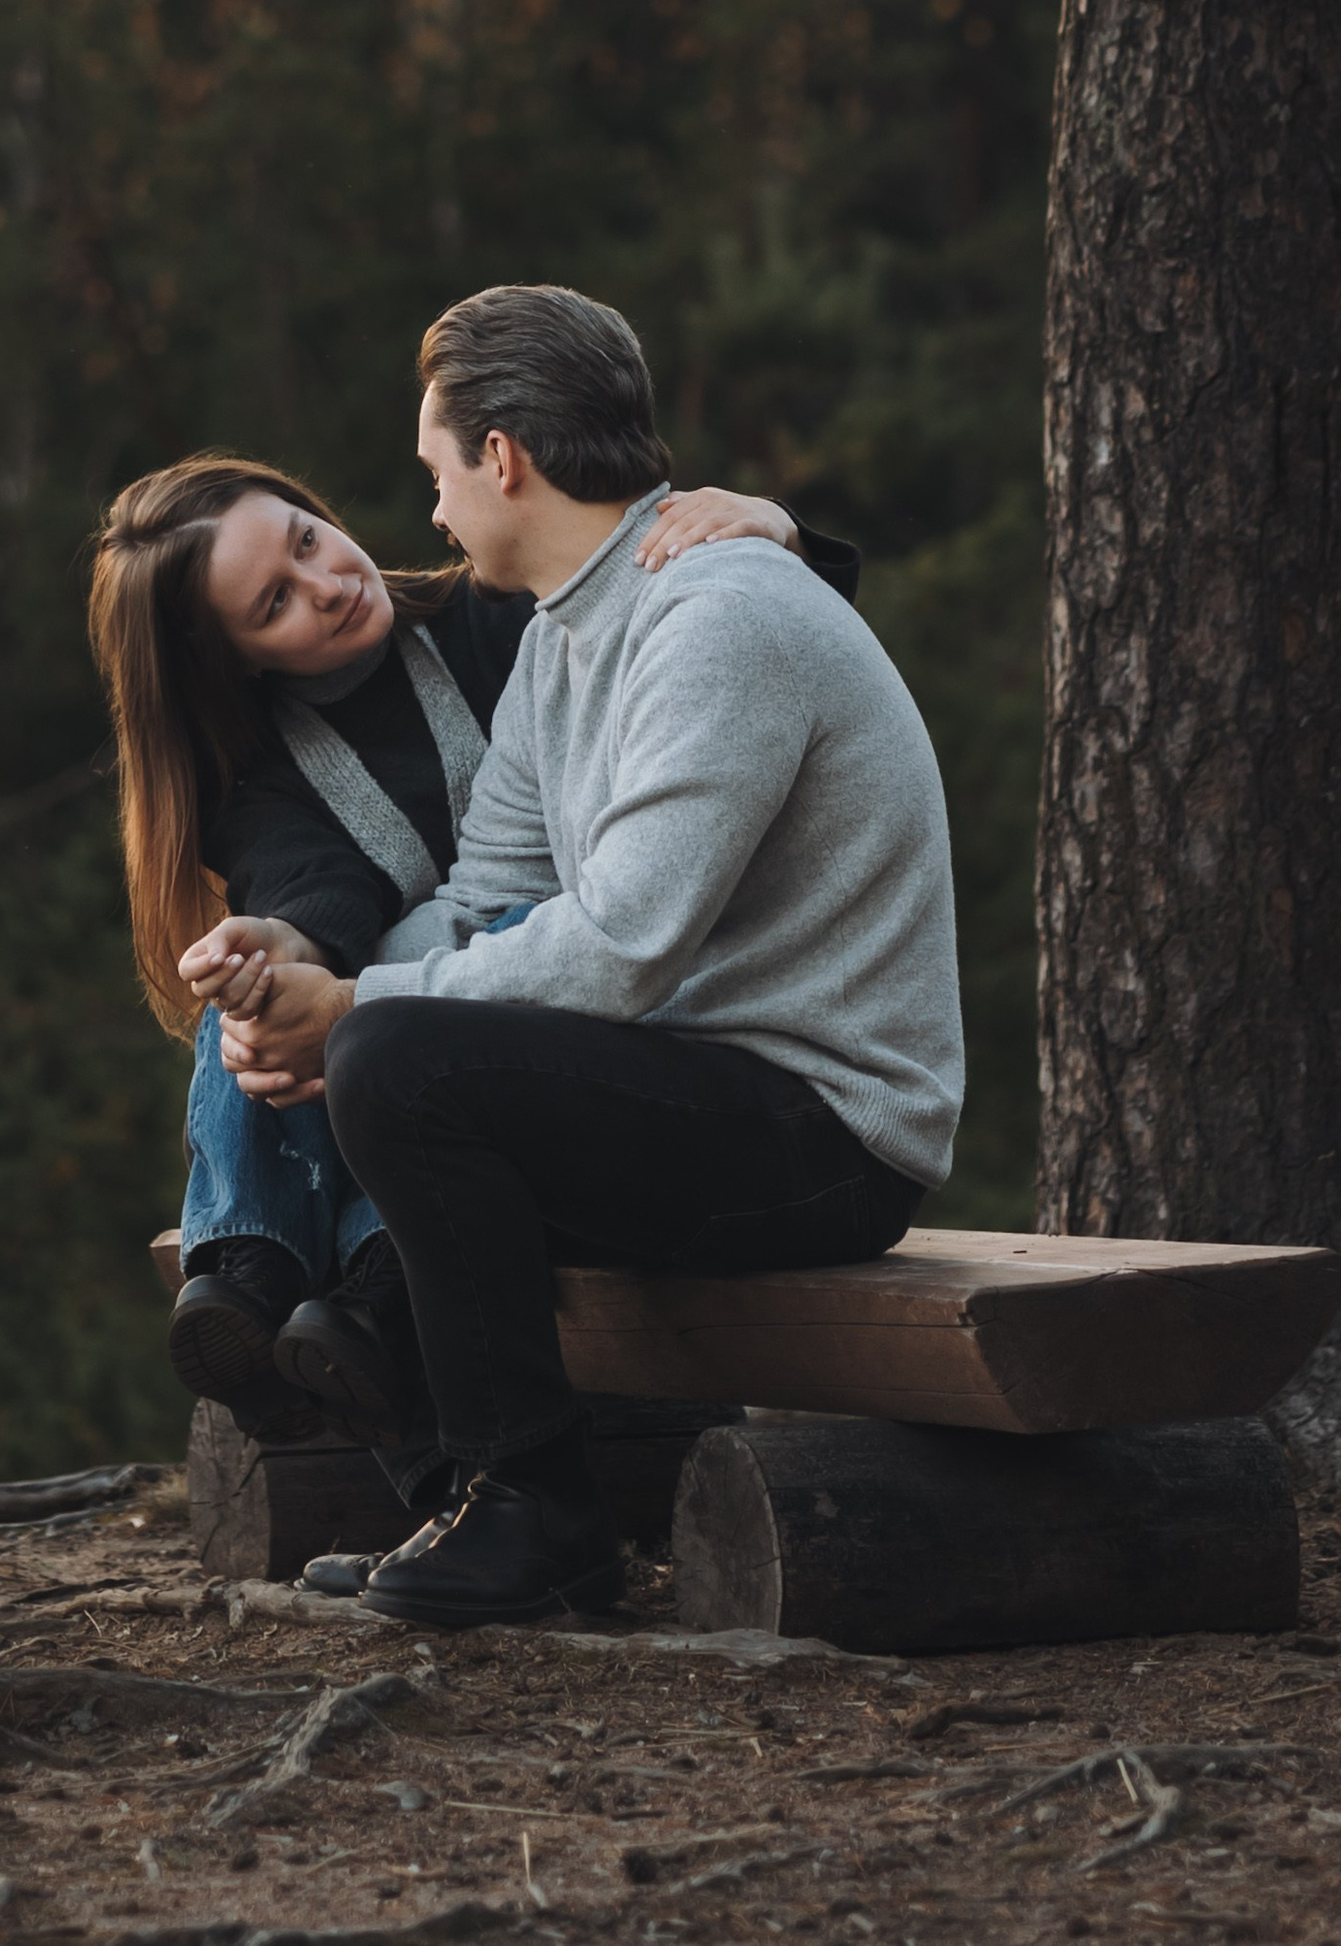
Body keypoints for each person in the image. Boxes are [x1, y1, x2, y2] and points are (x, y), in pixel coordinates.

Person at [211, 283, 963, 1630]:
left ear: (500, 458)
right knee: (352, 1056)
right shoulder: (567, 641)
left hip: (828, 1133)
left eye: (436, 470)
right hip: (689, 1093)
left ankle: (535, 1516)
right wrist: (304, 1003)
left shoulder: (716, 617)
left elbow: (623, 942)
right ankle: (465, 1492)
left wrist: (363, 1011)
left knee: (392, 1051)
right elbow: (490, 889)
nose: (431, 513)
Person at [85, 448, 864, 1425]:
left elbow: (724, 623)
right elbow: (312, 887)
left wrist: (772, 529)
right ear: (234, 660)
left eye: (308, 542)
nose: (328, 585)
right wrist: (272, 953)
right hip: (423, 1045)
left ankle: (376, 1273)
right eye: (274, 602)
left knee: (436, 976)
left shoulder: (497, 612)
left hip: (592, 1014)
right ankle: (247, 1270)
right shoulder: (258, 782)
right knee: (258, 985)